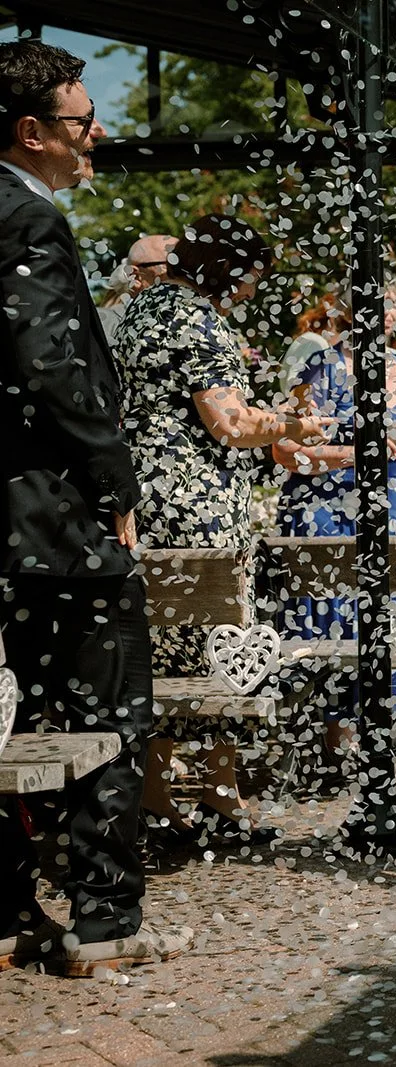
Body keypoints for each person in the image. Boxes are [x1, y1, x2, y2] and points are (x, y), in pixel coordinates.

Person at [0, 39, 188, 974]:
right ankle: (104, 921)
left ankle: (4, 908)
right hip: (54, 515)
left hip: (9, 520)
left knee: (21, 713)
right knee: (105, 704)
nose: (98, 131)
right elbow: (52, 370)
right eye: (81, 119)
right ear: (31, 133)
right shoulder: (27, 221)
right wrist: (116, 480)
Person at [117, 214, 335, 849]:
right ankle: (217, 793)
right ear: (227, 269)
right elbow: (231, 424)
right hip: (197, 501)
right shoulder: (198, 318)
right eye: (250, 279)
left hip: (144, 493)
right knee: (218, 640)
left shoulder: (138, 311)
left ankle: (161, 796)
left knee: (163, 647)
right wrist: (292, 423)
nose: (249, 292)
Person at [273, 290, 396, 766]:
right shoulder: (321, 367)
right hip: (324, 509)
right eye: (375, 304)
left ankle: (376, 729)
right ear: (345, 313)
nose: (385, 315)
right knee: (335, 615)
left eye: (390, 307)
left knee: (387, 612)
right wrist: (357, 455)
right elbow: (284, 451)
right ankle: (336, 738)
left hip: (389, 506)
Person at [97, 233, 176, 337]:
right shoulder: (102, 324)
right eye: (173, 264)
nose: (187, 274)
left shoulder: (194, 320)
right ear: (135, 276)